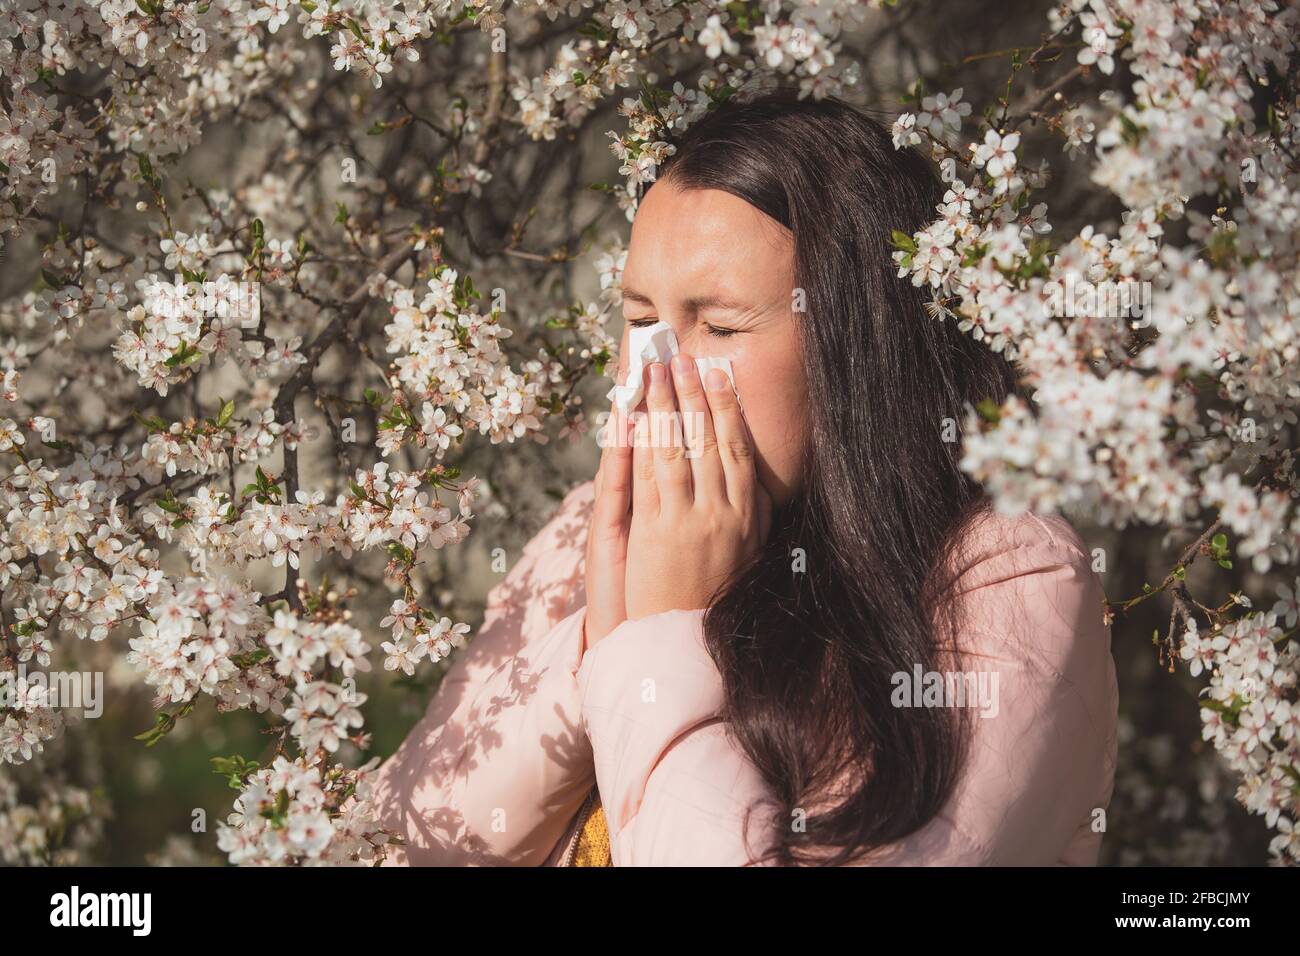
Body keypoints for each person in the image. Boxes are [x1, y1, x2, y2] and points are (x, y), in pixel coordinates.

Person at [367, 87, 1119, 866]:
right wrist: (599, 641)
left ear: (854, 350)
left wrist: (663, 641)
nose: (652, 370)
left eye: (719, 326)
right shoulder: (583, 536)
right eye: (638, 320)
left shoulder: (1009, 579)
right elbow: (399, 842)